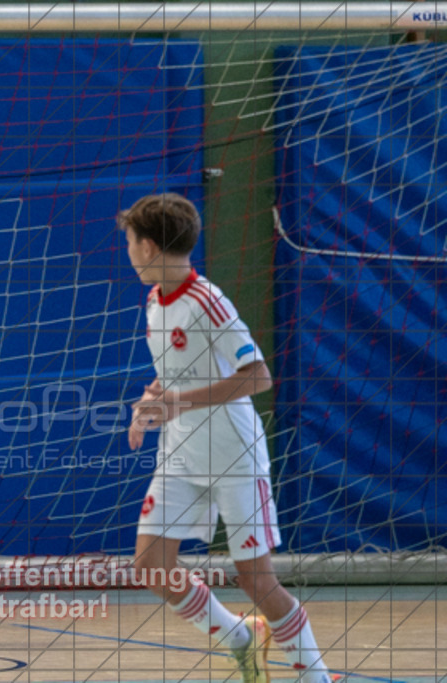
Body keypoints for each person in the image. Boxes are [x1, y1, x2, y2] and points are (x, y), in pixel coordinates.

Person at [121, 193, 331, 682]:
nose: (128, 252)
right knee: (151, 566)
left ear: (148, 246)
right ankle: (240, 637)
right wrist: (151, 402)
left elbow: (258, 376)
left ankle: (316, 676)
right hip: (180, 452)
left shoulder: (208, 302)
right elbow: (176, 373)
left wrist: (177, 402)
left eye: (130, 242)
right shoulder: (155, 301)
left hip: (234, 455)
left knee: (256, 579)